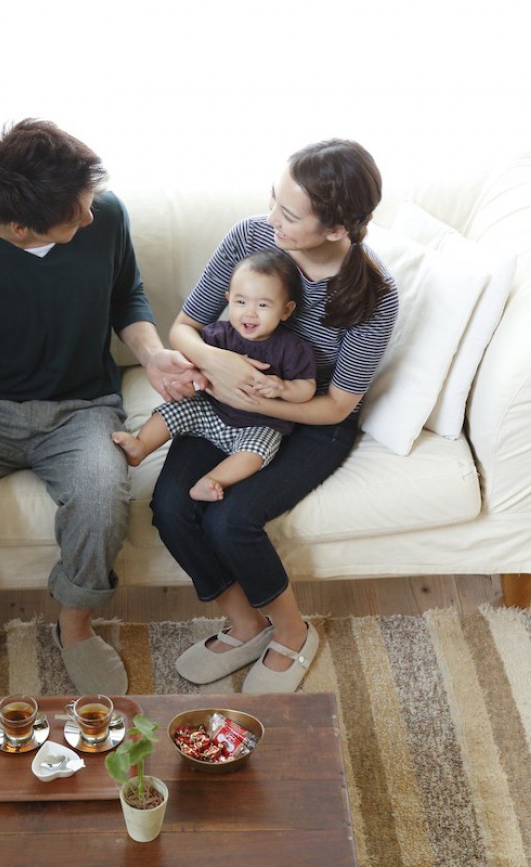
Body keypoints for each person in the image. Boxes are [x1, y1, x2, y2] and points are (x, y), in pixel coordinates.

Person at [0, 118, 197, 697]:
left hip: (82, 407)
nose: (91, 217)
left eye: (89, 202)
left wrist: (151, 354)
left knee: (103, 496)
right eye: (77, 214)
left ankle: (74, 627)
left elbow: (126, 294)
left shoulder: (106, 216)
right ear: (22, 228)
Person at [152, 138, 397, 694]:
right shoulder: (251, 238)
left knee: (230, 520)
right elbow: (184, 327)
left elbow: (338, 403)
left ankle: (292, 632)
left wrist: (256, 400)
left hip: (316, 420)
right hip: (223, 397)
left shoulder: (372, 295)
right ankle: (245, 625)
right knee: (170, 506)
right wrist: (220, 366)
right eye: (273, 201)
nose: (272, 220)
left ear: (336, 228)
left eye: (288, 214)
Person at [112, 247, 316, 502]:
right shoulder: (217, 335)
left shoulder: (292, 348)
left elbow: (307, 388)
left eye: (263, 305)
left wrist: (283, 389)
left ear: (285, 311)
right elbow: (192, 361)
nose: (249, 313)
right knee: (176, 409)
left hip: (260, 423)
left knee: (258, 452)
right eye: (241, 302)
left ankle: (213, 480)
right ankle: (141, 445)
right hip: (211, 410)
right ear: (228, 298)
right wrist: (190, 374)